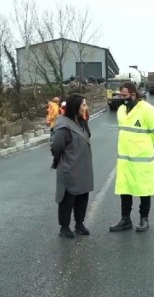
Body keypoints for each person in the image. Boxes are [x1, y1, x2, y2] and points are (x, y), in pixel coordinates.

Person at [109, 82, 154, 233]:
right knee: (125, 190)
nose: (122, 99)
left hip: (142, 159)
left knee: (144, 190)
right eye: (120, 96)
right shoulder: (121, 111)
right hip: (125, 160)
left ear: (133, 94)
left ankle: (144, 219)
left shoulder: (147, 110)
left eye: (124, 96)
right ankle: (125, 219)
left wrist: (151, 147)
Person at [50, 93, 94, 238]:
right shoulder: (63, 125)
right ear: (76, 106)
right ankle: (64, 227)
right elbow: (56, 147)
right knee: (67, 198)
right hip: (70, 167)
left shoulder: (81, 121)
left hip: (83, 167)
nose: (86, 107)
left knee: (82, 196)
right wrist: (66, 161)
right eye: (83, 105)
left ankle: (79, 224)